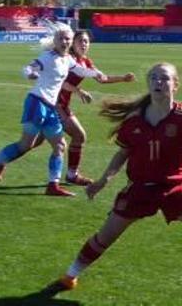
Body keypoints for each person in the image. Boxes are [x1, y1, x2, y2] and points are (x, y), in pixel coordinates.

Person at [47, 63, 182, 293]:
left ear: (175, 85)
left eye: (165, 78)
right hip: (140, 188)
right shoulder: (133, 121)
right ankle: (70, 275)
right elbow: (123, 153)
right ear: (148, 83)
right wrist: (102, 181)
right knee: (105, 237)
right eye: (154, 78)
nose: (159, 82)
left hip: (174, 185)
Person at [0, 30, 136, 185]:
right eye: (80, 40)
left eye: (86, 41)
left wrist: (122, 78)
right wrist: (78, 90)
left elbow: (102, 78)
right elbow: (61, 82)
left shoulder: (84, 62)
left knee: (32, 143)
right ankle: (71, 175)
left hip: (60, 105)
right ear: (73, 43)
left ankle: (0, 161)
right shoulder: (66, 59)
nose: (84, 44)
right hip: (55, 104)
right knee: (78, 136)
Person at [0, 24, 105, 196]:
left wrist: (95, 74)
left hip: (51, 107)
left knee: (59, 146)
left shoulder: (68, 59)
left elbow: (80, 69)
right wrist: (30, 74)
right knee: (26, 144)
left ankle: (53, 185)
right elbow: (28, 68)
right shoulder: (47, 57)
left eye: (67, 38)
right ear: (55, 40)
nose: (65, 42)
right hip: (37, 103)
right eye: (61, 38)